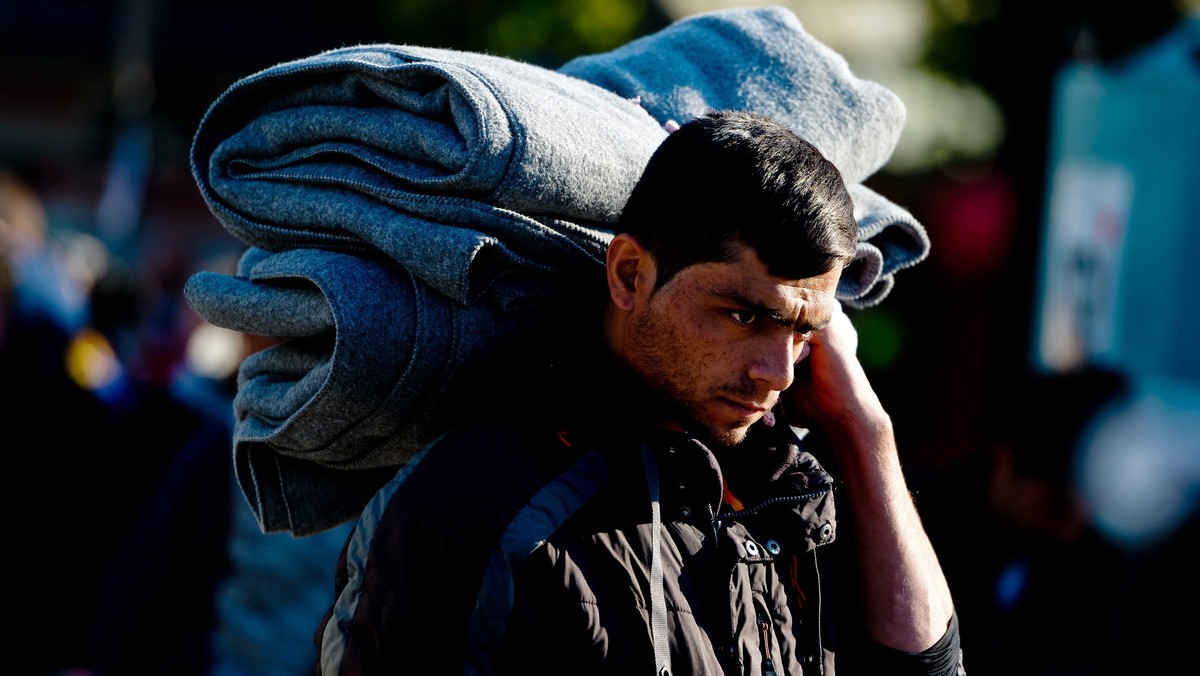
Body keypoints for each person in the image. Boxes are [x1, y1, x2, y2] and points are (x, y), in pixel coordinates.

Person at [314, 110, 964, 675]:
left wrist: (865, 434)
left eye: (803, 331)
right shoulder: (483, 507)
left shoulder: (788, 485)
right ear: (629, 275)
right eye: (743, 315)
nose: (779, 371)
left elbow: (927, 668)